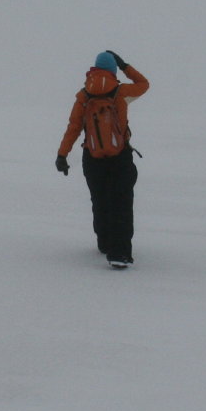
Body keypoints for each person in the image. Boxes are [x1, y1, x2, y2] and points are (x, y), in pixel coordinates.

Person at [56, 50, 150, 269]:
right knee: (121, 203)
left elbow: (74, 127)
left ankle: (105, 243)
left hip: (93, 158)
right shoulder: (121, 91)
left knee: (100, 201)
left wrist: (62, 155)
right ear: (113, 70)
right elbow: (144, 84)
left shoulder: (84, 96)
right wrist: (125, 65)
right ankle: (120, 253)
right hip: (120, 157)